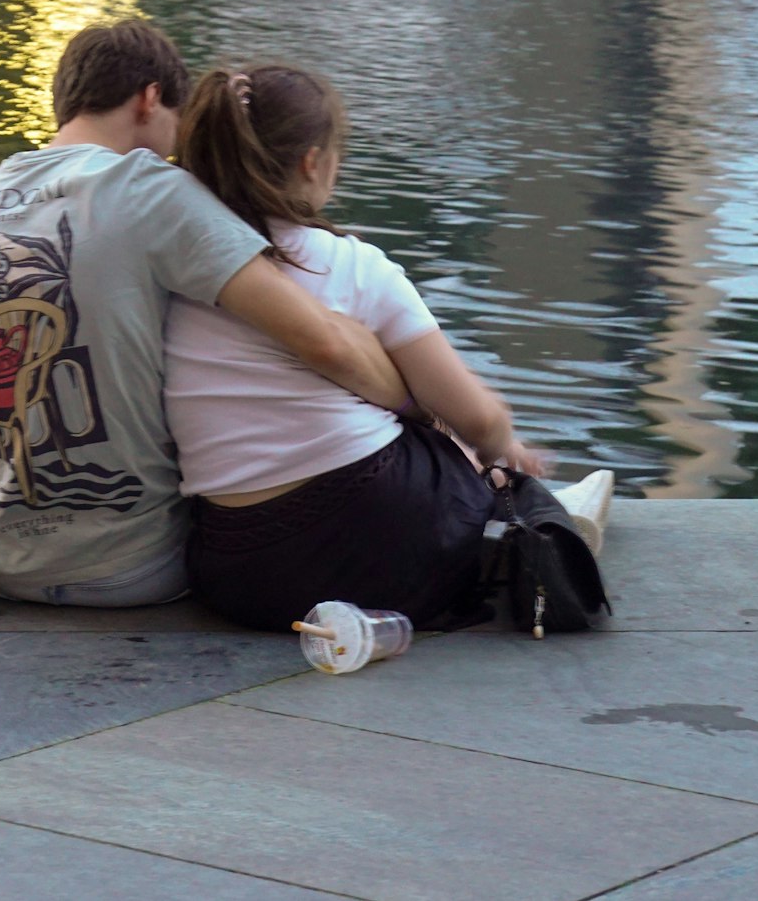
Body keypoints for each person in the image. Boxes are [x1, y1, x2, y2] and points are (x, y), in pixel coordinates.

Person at [0, 22, 409, 608]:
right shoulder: (150, 189)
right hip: (128, 566)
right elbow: (324, 344)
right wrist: (414, 401)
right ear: (150, 98)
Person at [164, 64, 551, 633]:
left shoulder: (179, 270)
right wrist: (505, 452)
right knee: (459, 451)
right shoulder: (353, 265)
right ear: (312, 163)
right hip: (377, 539)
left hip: (237, 571)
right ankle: (524, 509)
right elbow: (478, 416)